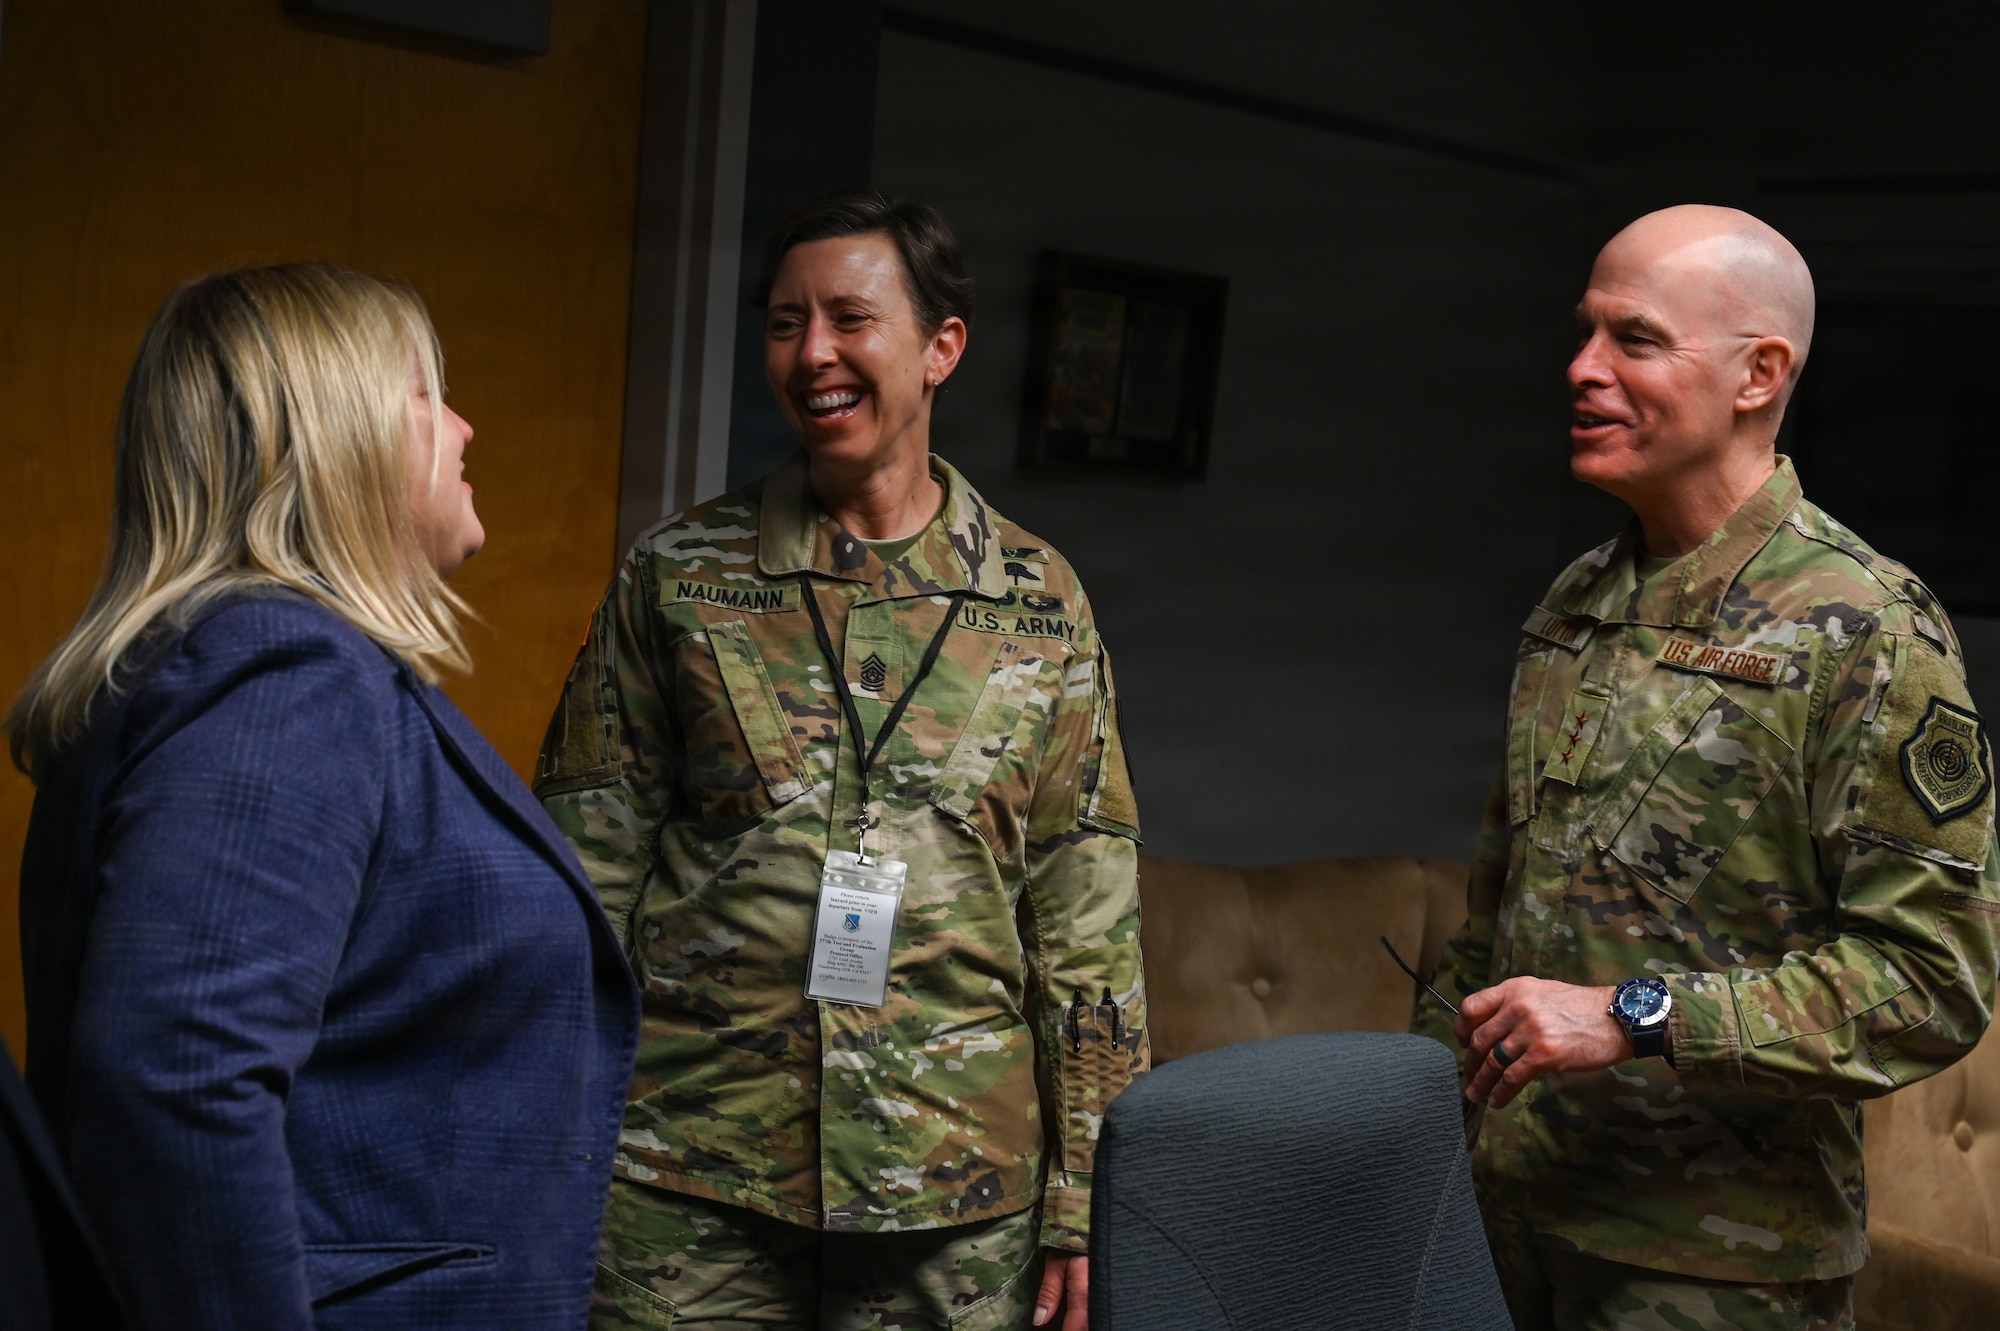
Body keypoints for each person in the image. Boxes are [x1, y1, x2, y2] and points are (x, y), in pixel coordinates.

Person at [535, 192, 1147, 1331]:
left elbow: (1086, 921)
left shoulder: (1041, 601)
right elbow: (580, 884)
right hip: (689, 1182)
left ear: (941, 347)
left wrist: (1081, 1194)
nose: (811, 351)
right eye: (783, 321)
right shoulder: (677, 576)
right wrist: (546, 1147)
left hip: (952, 1192)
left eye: (848, 318)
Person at [9, 263, 641, 1330]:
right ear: (334, 437)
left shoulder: (248, 662)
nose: (464, 425)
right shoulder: (281, 671)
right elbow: (178, 1079)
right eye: (425, 394)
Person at [1413, 204, 2000, 1330]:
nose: (1580, 370)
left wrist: (1631, 1015)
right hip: (1499, 1224)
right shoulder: (1575, 602)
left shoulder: (1865, 626)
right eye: (1583, 333)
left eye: (1632, 339)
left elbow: (1930, 982)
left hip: (1712, 1271)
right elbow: (1491, 930)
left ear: (1757, 373)